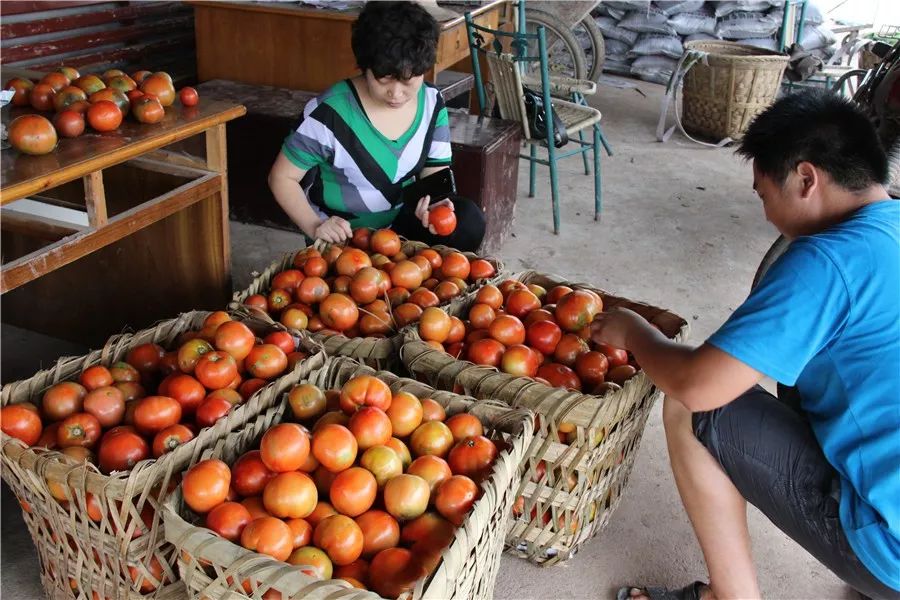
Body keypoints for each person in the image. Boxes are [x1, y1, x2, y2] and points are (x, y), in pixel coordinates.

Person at [593, 90, 900, 600]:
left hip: (888, 545)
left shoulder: (829, 261)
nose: (763, 212)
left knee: (691, 407)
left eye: (762, 194)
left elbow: (700, 386)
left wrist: (634, 333)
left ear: (806, 179)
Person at [268, 0, 486, 252]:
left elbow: (435, 170)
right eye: (383, 79)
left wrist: (435, 203)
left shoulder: (430, 102)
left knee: (468, 220)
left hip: (402, 225)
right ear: (366, 66)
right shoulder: (329, 113)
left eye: (408, 81)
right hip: (345, 236)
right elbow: (282, 177)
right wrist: (316, 224)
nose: (396, 93)